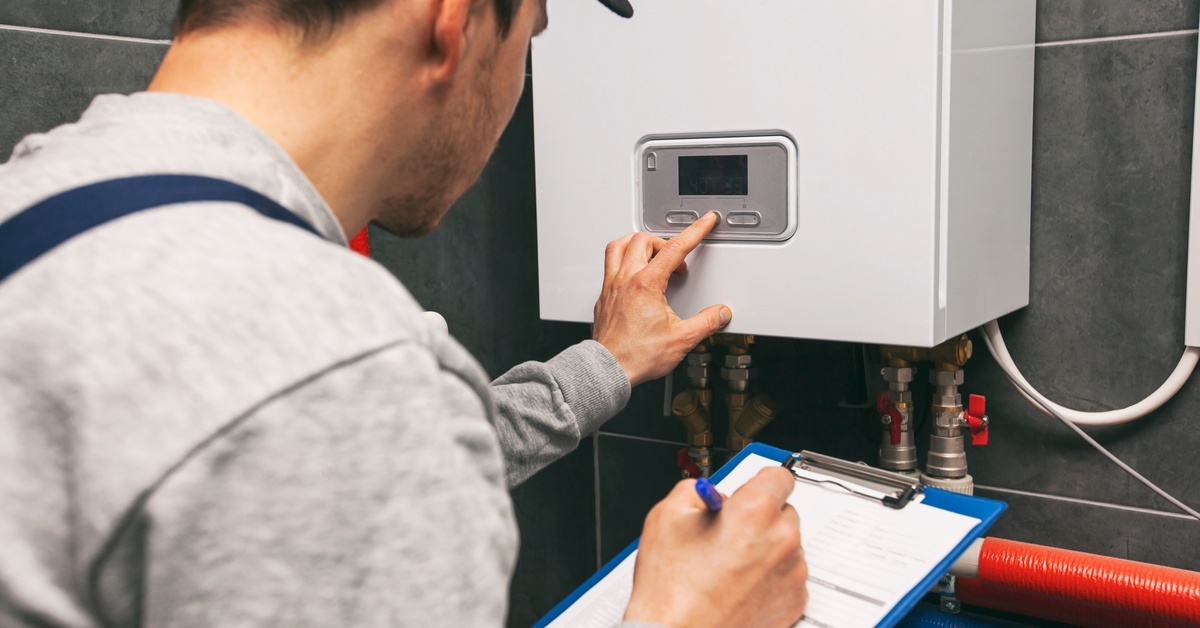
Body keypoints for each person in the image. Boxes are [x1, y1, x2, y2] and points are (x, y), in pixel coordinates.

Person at [0, 0, 809, 625]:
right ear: (453, 23)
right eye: (530, 35)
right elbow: (340, 421)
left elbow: (326, 457)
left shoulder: (43, 195)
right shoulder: (341, 372)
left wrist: (605, 365)